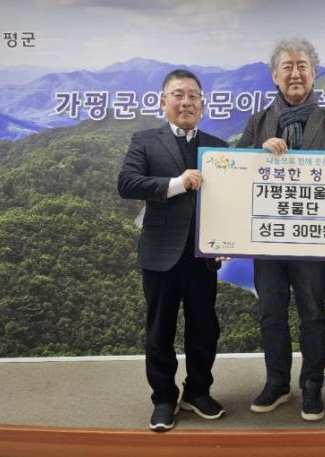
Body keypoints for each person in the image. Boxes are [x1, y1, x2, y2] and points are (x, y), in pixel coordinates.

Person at [236, 38, 325, 421]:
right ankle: (277, 383)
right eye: (288, 66)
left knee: (313, 314)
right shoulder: (258, 122)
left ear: (314, 74)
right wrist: (257, 154)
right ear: (275, 76)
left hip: (312, 239)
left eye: (302, 66)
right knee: (271, 313)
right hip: (267, 239)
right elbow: (233, 168)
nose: (295, 73)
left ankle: (312, 385)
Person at [118, 69, 227, 431]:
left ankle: (198, 392)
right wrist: (177, 184)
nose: (186, 102)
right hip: (160, 252)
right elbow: (127, 183)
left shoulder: (218, 146)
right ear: (163, 102)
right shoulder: (145, 141)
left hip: (203, 255)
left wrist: (228, 241)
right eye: (178, 95)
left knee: (204, 329)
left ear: (202, 104)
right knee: (159, 330)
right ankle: (163, 398)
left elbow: (229, 203)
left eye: (193, 96)